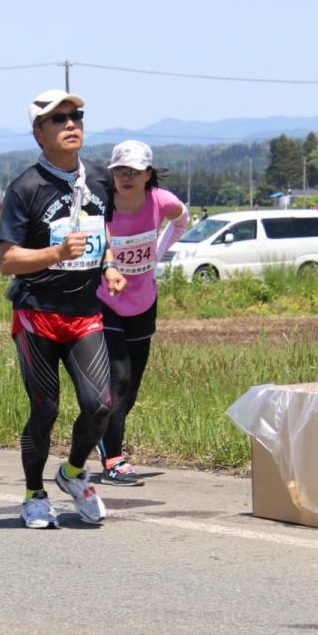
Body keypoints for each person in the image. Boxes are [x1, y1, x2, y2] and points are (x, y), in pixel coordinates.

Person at [0, 89, 126, 529]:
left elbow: (101, 229)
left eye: (76, 116)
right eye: (58, 119)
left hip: (85, 312)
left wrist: (108, 265)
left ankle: (72, 473)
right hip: (37, 314)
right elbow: (7, 259)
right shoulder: (25, 188)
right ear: (38, 133)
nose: (71, 124)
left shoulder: (98, 178)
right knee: (45, 409)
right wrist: (54, 255)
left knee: (100, 406)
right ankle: (34, 494)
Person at [95, 140, 190, 486]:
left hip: (144, 302)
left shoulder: (161, 201)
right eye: (120, 170)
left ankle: (105, 438)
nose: (126, 177)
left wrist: (159, 251)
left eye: (134, 171)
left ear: (148, 173)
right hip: (106, 301)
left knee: (131, 387)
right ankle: (113, 459)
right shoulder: (104, 203)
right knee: (117, 379)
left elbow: (182, 222)